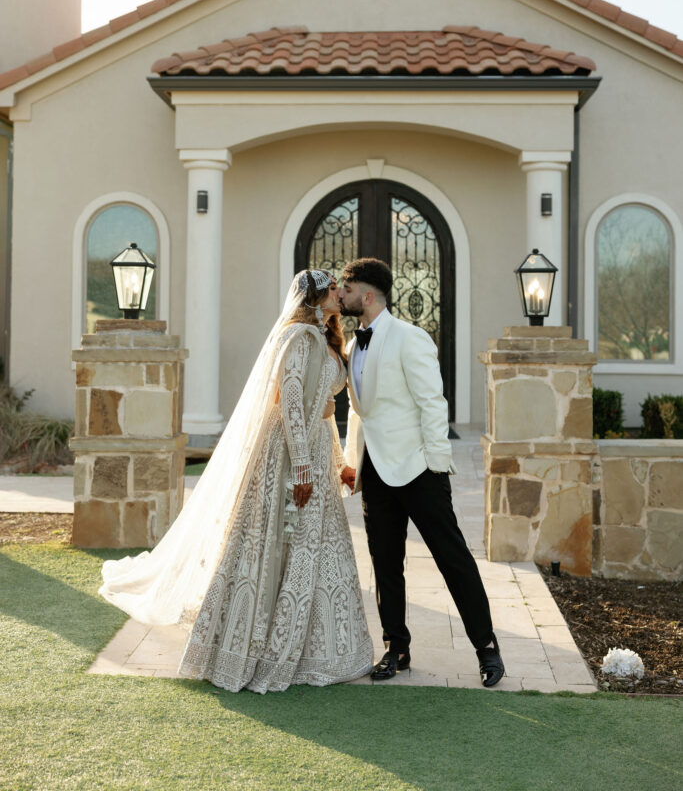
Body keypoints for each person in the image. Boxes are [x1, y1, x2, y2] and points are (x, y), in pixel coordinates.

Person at [100, 269, 373, 693]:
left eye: (340, 288)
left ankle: (314, 647)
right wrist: (301, 467)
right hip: (287, 453)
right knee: (275, 540)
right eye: (333, 288)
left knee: (314, 546)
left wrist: (338, 462)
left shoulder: (321, 337)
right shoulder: (298, 338)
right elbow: (290, 405)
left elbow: (322, 409)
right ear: (316, 297)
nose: (340, 293)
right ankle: (254, 645)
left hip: (315, 450)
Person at [339, 257, 504, 687]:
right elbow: (362, 413)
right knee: (386, 564)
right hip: (375, 473)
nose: (341, 293)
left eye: (347, 286)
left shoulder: (410, 338)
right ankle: (397, 647)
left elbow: (434, 403)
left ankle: (486, 648)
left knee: (453, 559)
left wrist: (435, 463)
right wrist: (352, 462)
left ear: (368, 293)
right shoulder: (354, 345)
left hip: (419, 469)